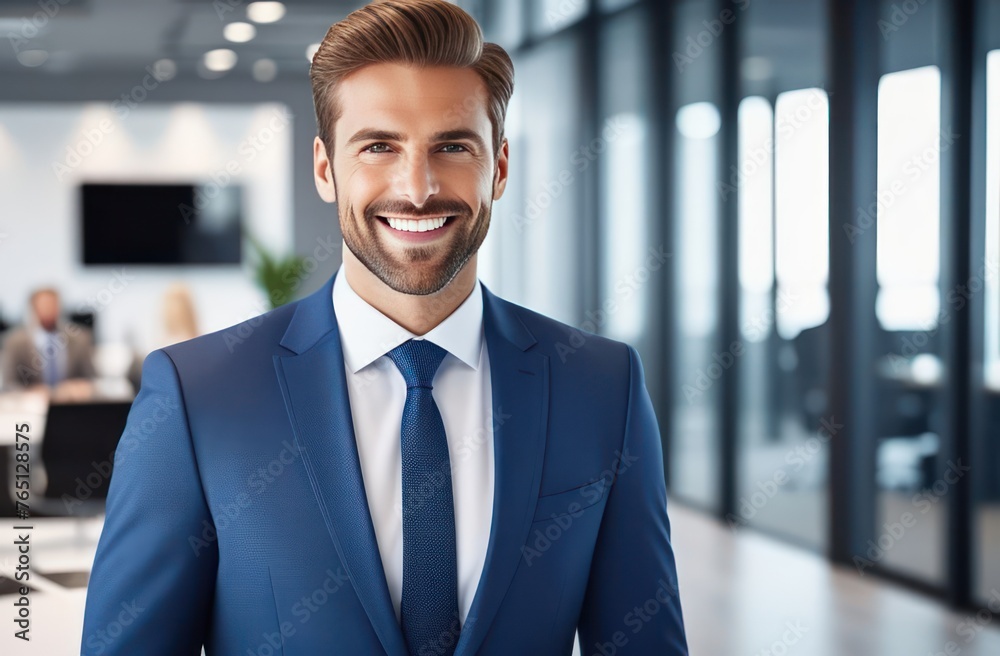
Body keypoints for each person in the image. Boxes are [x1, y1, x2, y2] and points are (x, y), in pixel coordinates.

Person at [81, 1, 688, 654]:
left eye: (452, 146)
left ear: (501, 167)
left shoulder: (600, 385)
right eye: (378, 146)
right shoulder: (199, 394)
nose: (419, 187)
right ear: (325, 168)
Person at [1, 287, 96, 394]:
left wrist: (79, 387)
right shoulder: (14, 342)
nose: (48, 309)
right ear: (33, 308)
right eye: (44, 305)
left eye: (52, 304)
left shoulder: (80, 338)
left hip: (71, 404)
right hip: (32, 406)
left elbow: (92, 379)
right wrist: (32, 391)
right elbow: (8, 385)